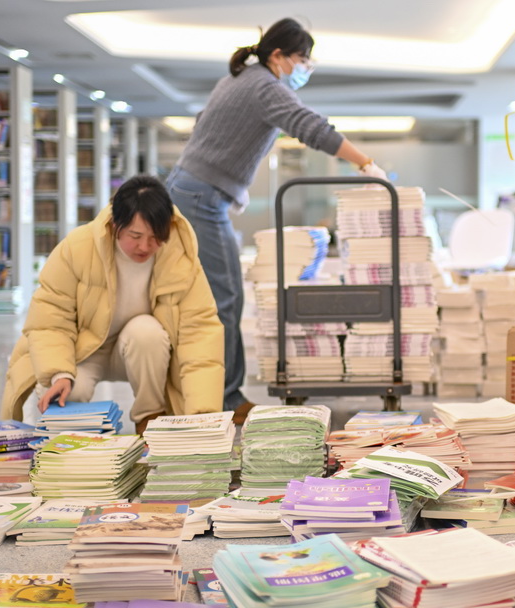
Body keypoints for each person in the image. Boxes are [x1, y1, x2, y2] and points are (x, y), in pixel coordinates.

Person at [165, 17, 386, 425]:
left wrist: (231, 183)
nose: (305, 68)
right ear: (278, 55)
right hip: (199, 196)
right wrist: (366, 162)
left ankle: (221, 394)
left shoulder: (239, 80)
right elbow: (310, 127)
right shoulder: (264, 86)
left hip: (196, 191)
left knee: (219, 297)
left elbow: (211, 128)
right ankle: (226, 400)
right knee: (225, 298)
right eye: (302, 59)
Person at [0, 175, 224, 434]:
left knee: (146, 331)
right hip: (82, 350)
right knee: (67, 399)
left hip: (142, 350)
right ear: (115, 223)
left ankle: (149, 416)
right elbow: (50, 321)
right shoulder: (77, 248)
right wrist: (58, 373)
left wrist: (203, 416)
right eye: (135, 235)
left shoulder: (179, 258)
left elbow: (200, 333)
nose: (145, 246)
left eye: (155, 237)